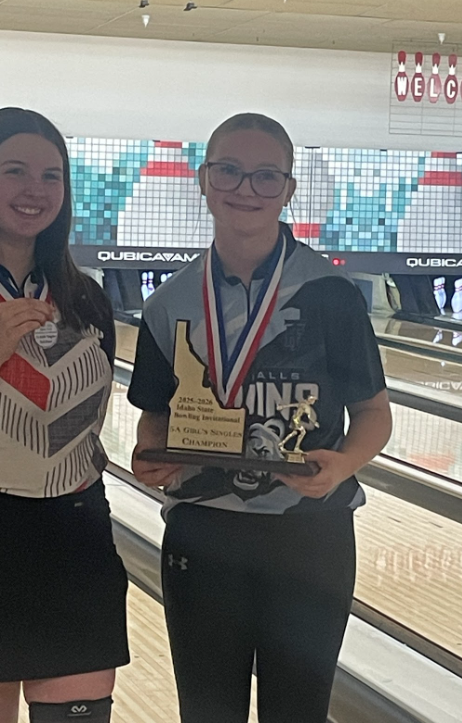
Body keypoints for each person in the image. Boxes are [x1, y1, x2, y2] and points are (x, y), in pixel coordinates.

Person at [129, 112, 392, 723]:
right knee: (207, 711)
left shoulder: (331, 295)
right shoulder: (168, 302)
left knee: (298, 712)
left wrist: (344, 464)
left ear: (288, 189)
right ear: (203, 179)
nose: (246, 189)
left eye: (265, 176)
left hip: (312, 535)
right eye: (230, 171)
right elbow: (153, 420)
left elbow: (374, 415)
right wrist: (157, 457)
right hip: (206, 533)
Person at [0, 108, 129, 723]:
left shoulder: (86, 299)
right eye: (15, 170)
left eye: (51, 176)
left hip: (72, 535)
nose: (35, 189)